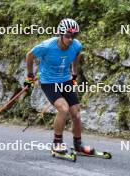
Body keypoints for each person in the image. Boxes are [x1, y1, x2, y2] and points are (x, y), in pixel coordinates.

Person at [24, 18, 94, 155]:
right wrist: (30, 75)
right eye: (67, 36)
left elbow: (76, 55)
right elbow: (29, 56)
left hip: (65, 80)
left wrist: (74, 74)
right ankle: (57, 143)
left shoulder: (76, 45)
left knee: (76, 112)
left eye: (73, 36)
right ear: (60, 34)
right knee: (63, 108)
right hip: (49, 82)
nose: (70, 39)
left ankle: (78, 144)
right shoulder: (46, 46)